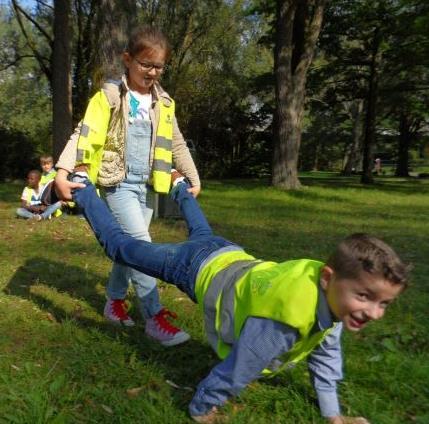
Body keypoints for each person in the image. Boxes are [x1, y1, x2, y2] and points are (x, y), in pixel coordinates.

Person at [70, 173, 408, 424]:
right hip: (194, 267)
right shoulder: (284, 320)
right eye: (365, 296)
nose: (374, 312)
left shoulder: (331, 298)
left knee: (201, 231)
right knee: (121, 248)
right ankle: (82, 188)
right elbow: (238, 369)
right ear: (328, 279)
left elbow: (325, 356)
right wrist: (202, 408)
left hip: (228, 254)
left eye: (383, 303)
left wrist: (333, 417)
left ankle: (179, 186)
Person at [54, 26, 200, 346]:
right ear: (127, 59)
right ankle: (154, 317)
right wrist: (62, 172)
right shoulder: (110, 96)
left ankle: (114, 301)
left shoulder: (163, 102)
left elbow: (176, 143)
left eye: (158, 66)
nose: (151, 72)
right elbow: (82, 133)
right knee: (142, 246)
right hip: (116, 183)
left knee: (128, 252)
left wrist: (193, 177)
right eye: (145, 64)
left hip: (145, 186)